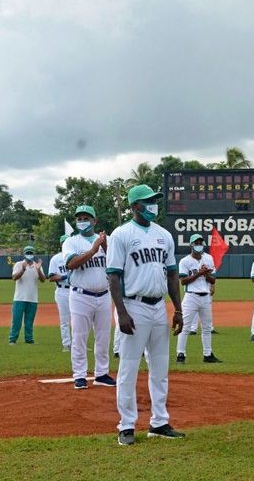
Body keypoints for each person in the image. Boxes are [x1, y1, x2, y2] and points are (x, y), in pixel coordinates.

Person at [106, 184, 185, 446]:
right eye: (148, 201)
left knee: (160, 368)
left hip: (158, 306)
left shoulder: (164, 235)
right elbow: (113, 276)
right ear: (134, 206)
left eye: (155, 199)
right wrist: (122, 312)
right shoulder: (121, 234)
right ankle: (126, 426)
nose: (154, 204)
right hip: (134, 305)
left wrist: (178, 309)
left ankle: (159, 422)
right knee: (128, 368)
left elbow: (172, 274)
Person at [63, 205, 115, 390]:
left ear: (95, 221)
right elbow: (71, 264)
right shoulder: (71, 242)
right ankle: (79, 375)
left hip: (104, 295)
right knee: (79, 336)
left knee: (103, 337)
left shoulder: (105, 240)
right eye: (79, 218)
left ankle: (101, 373)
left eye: (86, 218)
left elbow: (116, 263)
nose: (82, 221)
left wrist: (106, 247)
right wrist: (94, 250)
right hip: (80, 296)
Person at [175, 234, 221, 364]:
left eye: (201, 242)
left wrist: (206, 273)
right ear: (191, 245)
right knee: (185, 327)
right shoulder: (185, 261)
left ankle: (207, 354)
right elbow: (183, 281)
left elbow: (213, 279)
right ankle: (180, 354)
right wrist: (199, 273)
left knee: (206, 327)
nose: (199, 245)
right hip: (191, 297)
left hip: (205, 296)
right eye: (196, 243)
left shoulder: (209, 258)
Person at [9, 245, 46, 345]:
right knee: (16, 321)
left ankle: (29, 339)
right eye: (27, 253)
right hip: (19, 298)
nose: (29, 255)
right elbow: (14, 277)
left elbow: (43, 280)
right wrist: (23, 270)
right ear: (24, 253)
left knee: (29, 321)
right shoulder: (18, 264)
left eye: (31, 253)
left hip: (33, 298)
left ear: (34, 254)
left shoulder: (37, 265)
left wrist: (38, 269)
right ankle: (12, 339)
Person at [48, 235, 72, 352]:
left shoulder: (75, 257)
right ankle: (67, 344)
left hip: (75, 290)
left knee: (79, 319)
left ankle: (78, 344)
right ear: (61, 244)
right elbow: (51, 277)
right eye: (64, 242)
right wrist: (64, 276)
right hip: (62, 291)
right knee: (64, 320)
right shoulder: (56, 259)